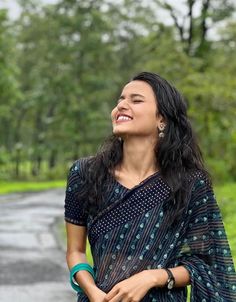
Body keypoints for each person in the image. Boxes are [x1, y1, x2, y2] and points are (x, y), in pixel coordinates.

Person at [64, 71, 236, 302]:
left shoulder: (190, 183)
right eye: (120, 100)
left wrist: (152, 277)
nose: (122, 105)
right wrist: (92, 292)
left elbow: (204, 262)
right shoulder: (85, 174)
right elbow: (75, 251)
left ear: (161, 119)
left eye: (135, 100)